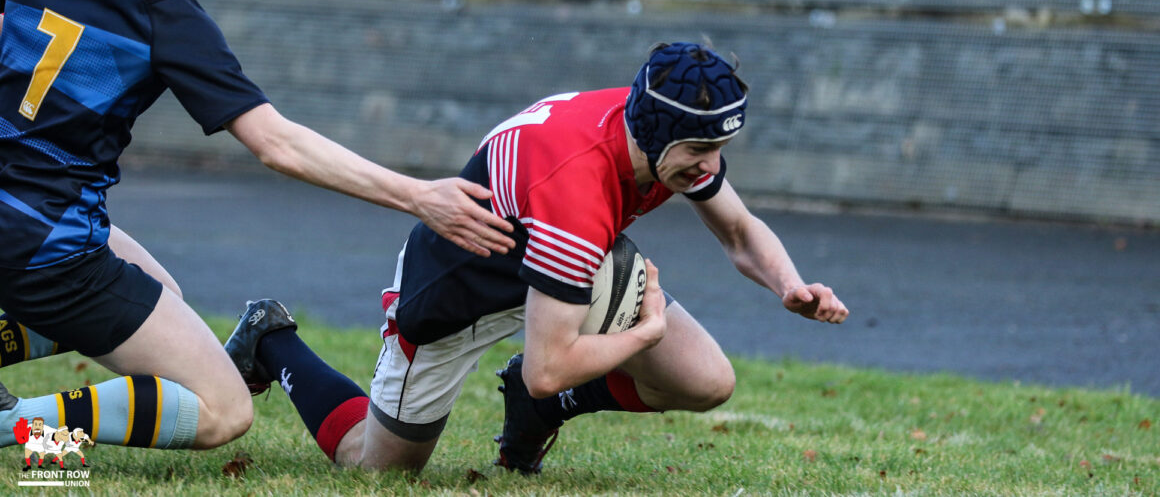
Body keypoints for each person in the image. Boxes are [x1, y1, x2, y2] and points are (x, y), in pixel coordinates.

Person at [0, 0, 514, 455]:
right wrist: (419, 197)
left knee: (163, 295)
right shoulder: (164, 14)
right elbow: (277, 144)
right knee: (223, 410)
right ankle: (15, 423)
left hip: (20, 221)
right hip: (51, 251)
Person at [224, 41, 849, 474]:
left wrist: (789, 285)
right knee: (377, 466)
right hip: (454, 295)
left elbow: (739, 231)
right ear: (653, 133)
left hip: (557, 264)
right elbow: (546, 368)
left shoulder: (656, 127)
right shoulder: (577, 186)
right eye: (699, 149)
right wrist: (645, 333)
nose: (710, 165)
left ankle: (540, 417)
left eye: (720, 145)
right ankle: (270, 339)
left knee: (707, 381)